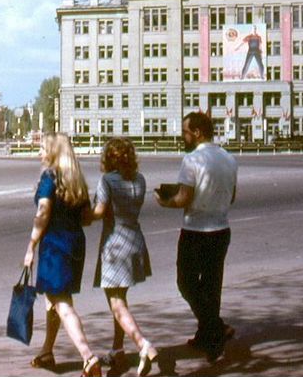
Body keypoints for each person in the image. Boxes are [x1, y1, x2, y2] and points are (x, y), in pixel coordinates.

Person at [155, 112, 238, 362]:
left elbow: (184, 198)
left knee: (187, 283)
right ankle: (208, 333)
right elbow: (232, 197)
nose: (183, 136)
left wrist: (164, 201)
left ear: (198, 133)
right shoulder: (229, 158)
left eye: (185, 132)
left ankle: (215, 331)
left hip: (195, 231)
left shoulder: (192, 160)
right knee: (212, 287)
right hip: (221, 229)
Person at [23, 132, 102, 377]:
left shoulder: (49, 177)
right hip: (75, 242)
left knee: (62, 303)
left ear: (54, 151)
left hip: (55, 245)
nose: (39, 153)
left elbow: (43, 213)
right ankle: (47, 351)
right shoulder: (75, 178)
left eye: (43, 148)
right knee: (54, 301)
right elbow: (87, 218)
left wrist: (31, 245)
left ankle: (88, 358)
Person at [91, 138, 158, 377]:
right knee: (121, 298)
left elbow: (98, 212)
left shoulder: (107, 181)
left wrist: (81, 214)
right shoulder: (139, 179)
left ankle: (143, 344)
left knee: (115, 301)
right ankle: (117, 349)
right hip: (135, 241)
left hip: (114, 245)